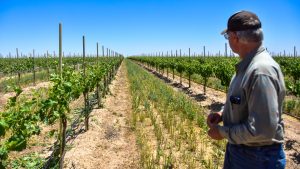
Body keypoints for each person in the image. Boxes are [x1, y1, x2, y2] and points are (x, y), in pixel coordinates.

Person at [207, 10, 286, 169]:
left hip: (257, 158)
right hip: (243, 151)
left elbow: (262, 130)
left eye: (227, 36)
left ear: (235, 37)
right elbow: (243, 102)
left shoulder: (260, 71)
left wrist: (222, 132)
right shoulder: (247, 67)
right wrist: (223, 114)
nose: (228, 41)